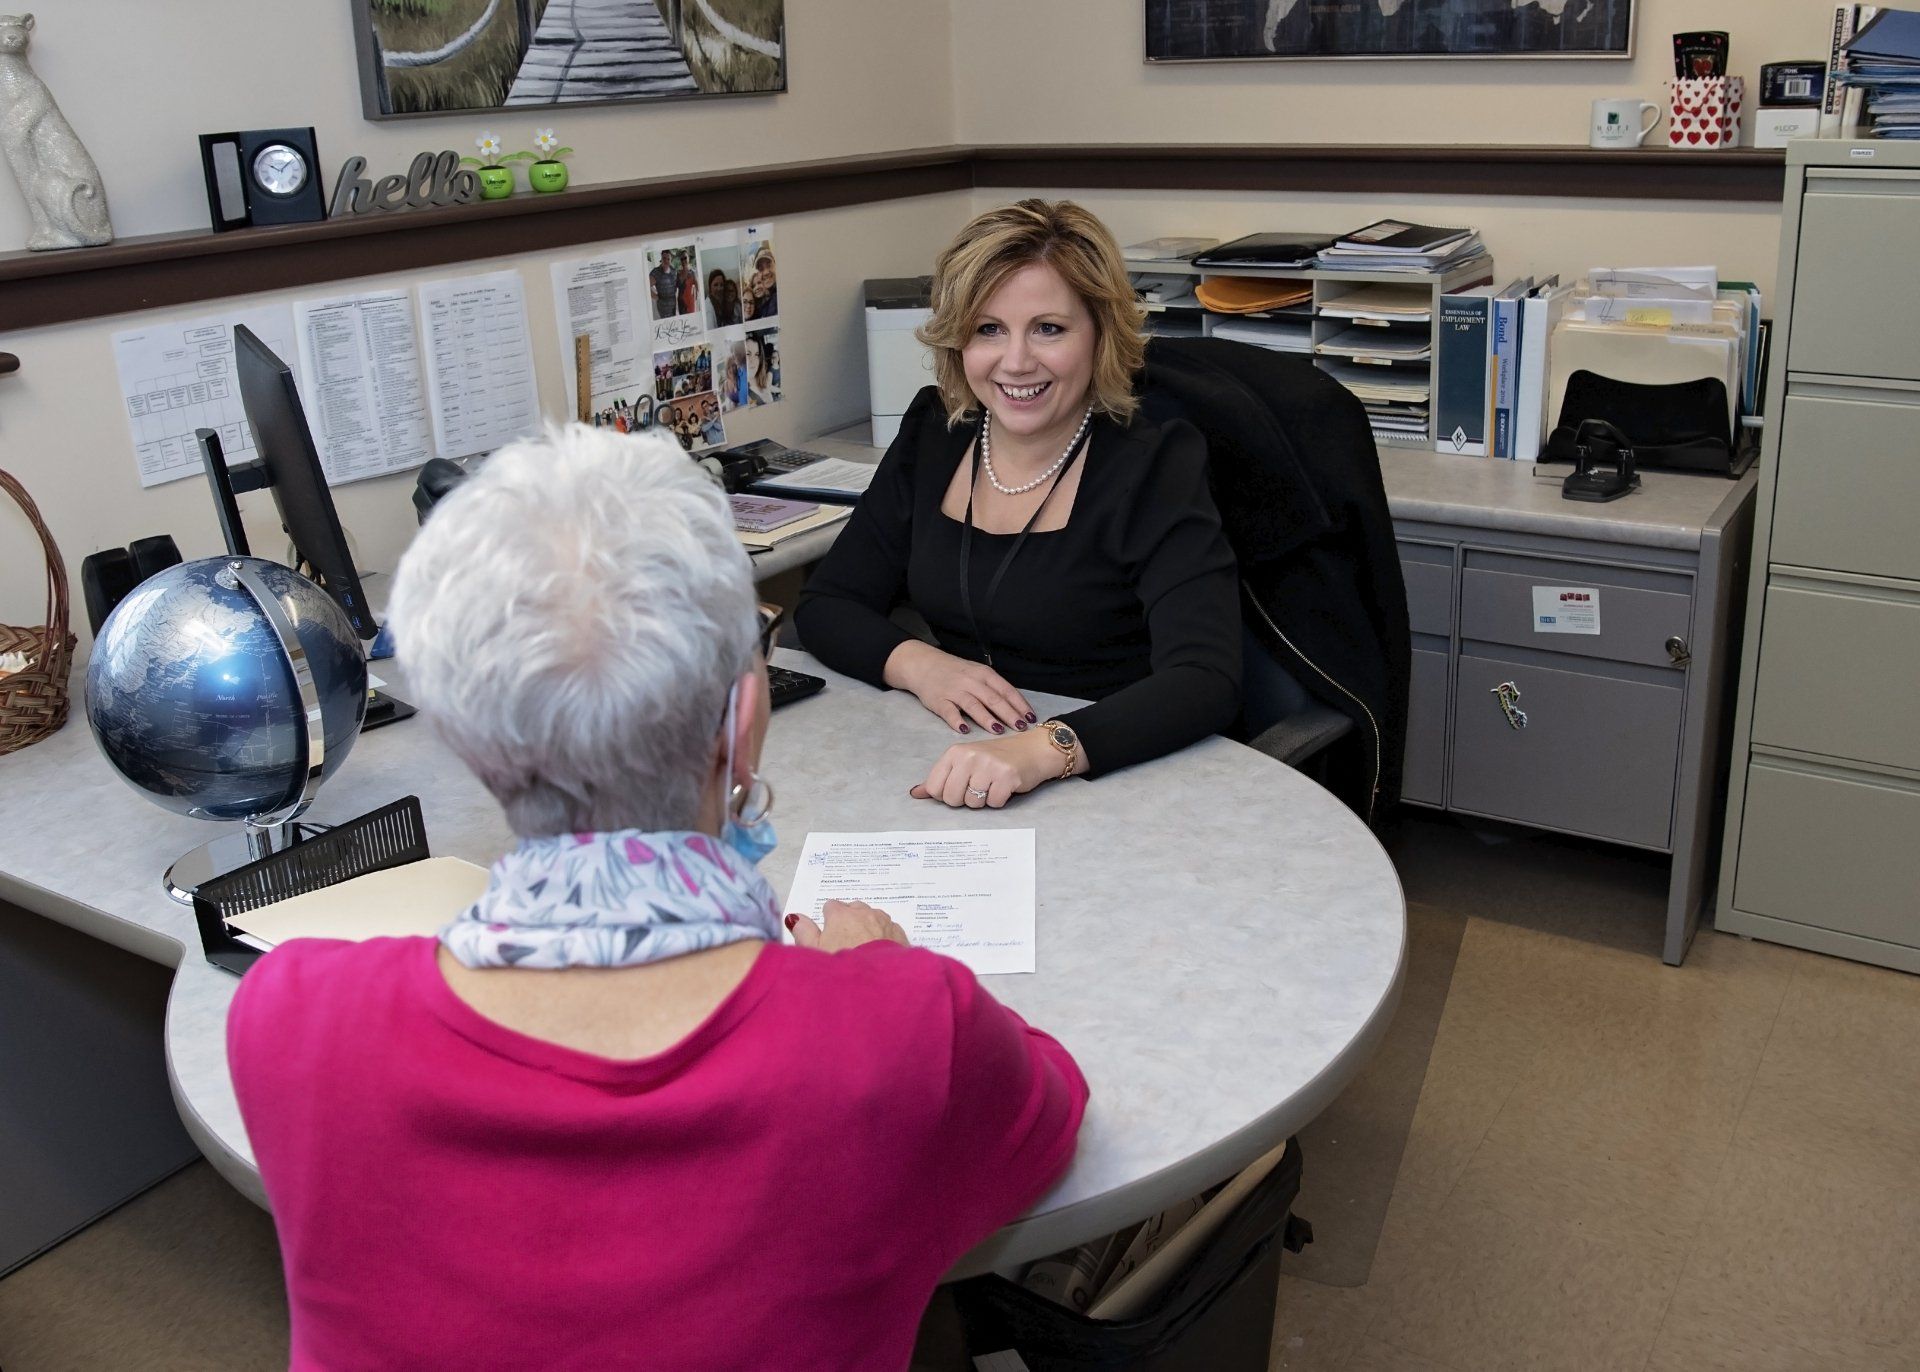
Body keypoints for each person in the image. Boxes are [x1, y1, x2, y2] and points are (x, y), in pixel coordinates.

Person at [226, 425, 1087, 1371]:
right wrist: (883, 974)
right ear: (744, 722)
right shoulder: (905, 1029)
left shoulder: (288, 1017)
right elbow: (1048, 1115)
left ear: (471, 744)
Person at [794, 199, 1240, 809]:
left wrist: (1039, 751)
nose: (1016, 362)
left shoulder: (1153, 464)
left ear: (1100, 335)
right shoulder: (935, 432)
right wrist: (922, 666)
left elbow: (1205, 679)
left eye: (1049, 328)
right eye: (988, 329)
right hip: (957, 759)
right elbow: (827, 604)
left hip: (1111, 772)